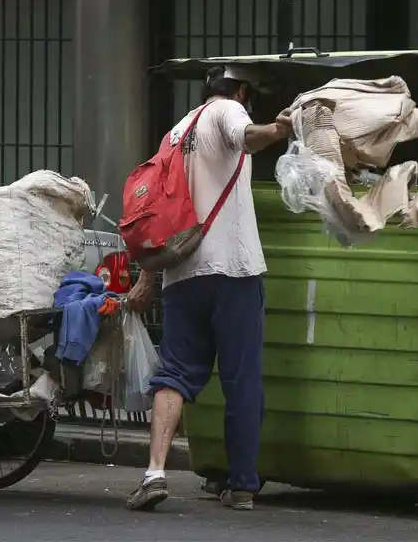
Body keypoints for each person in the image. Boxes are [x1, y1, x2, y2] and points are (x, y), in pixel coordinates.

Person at [124, 65, 293, 512]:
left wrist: (148, 276)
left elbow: (158, 213)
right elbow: (249, 136)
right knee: (241, 381)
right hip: (233, 272)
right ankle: (241, 486)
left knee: (175, 373)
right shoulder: (227, 112)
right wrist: (279, 127)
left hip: (182, 275)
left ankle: (154, 472)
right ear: (241, 91)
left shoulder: (176, 132)